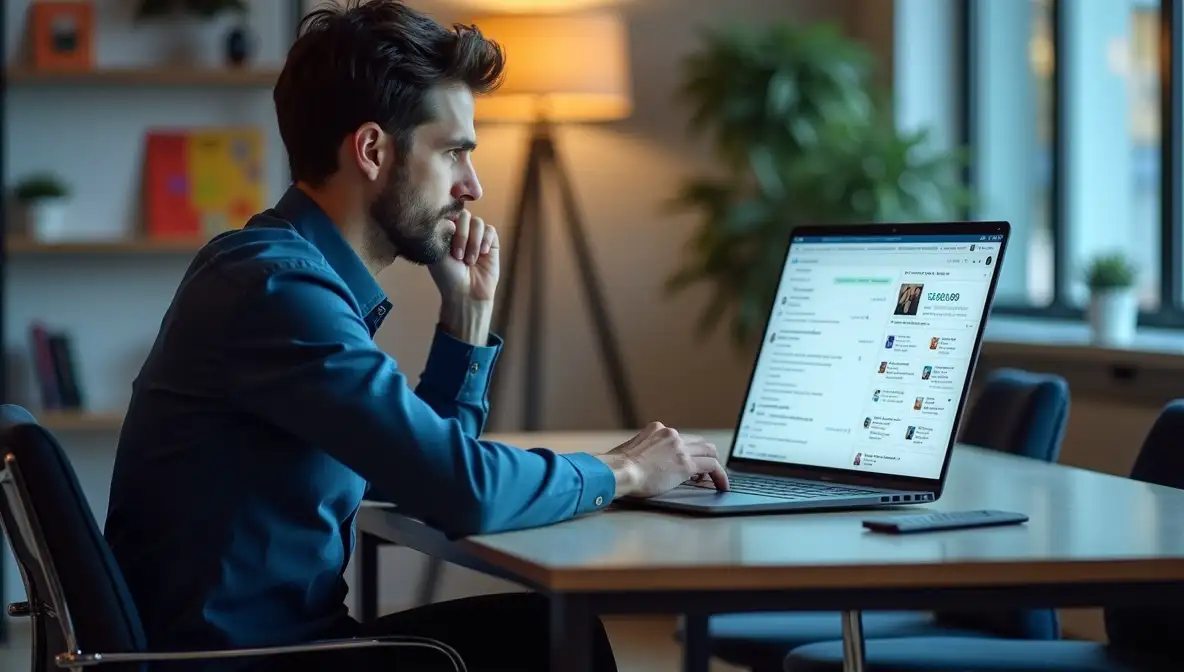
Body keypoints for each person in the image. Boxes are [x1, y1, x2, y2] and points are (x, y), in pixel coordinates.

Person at [101, 2, 729, 671]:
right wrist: (627, 469)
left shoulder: (270, 271)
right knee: (548, 640)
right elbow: (464, 489)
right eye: (454, 151)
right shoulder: (280, 294)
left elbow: (420, 472)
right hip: (243, 660)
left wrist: (466, 319)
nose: (472, 185)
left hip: (256, 647)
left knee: (540, 630)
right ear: (373, 150)